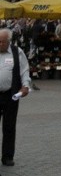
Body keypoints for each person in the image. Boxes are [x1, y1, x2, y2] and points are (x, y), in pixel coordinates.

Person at [0, 28, 30, 166]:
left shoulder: (17, 52)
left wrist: (25, 85)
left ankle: (7, 156)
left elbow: (24, 70)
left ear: (8, 42)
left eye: (1, 42)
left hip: (11, 94)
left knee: (9, 126)